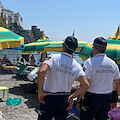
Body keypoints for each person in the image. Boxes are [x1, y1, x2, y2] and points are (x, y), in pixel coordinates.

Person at [37, 36, 89, 120]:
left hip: (50, 97)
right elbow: (85, 84)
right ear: (75, 50)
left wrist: (40, 92)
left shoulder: (54, 58)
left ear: (63, 46)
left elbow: (42, 71)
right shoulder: (76, 65)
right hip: (64, 99)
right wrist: (72, 97)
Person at [77, 37, 120, 120]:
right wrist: (115, 98)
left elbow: (85, 84)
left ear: (94, 48)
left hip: (91, 98)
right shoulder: (112, 63)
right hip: (107, 97)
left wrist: (78, 100)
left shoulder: (90, 62)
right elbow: (118, 83)